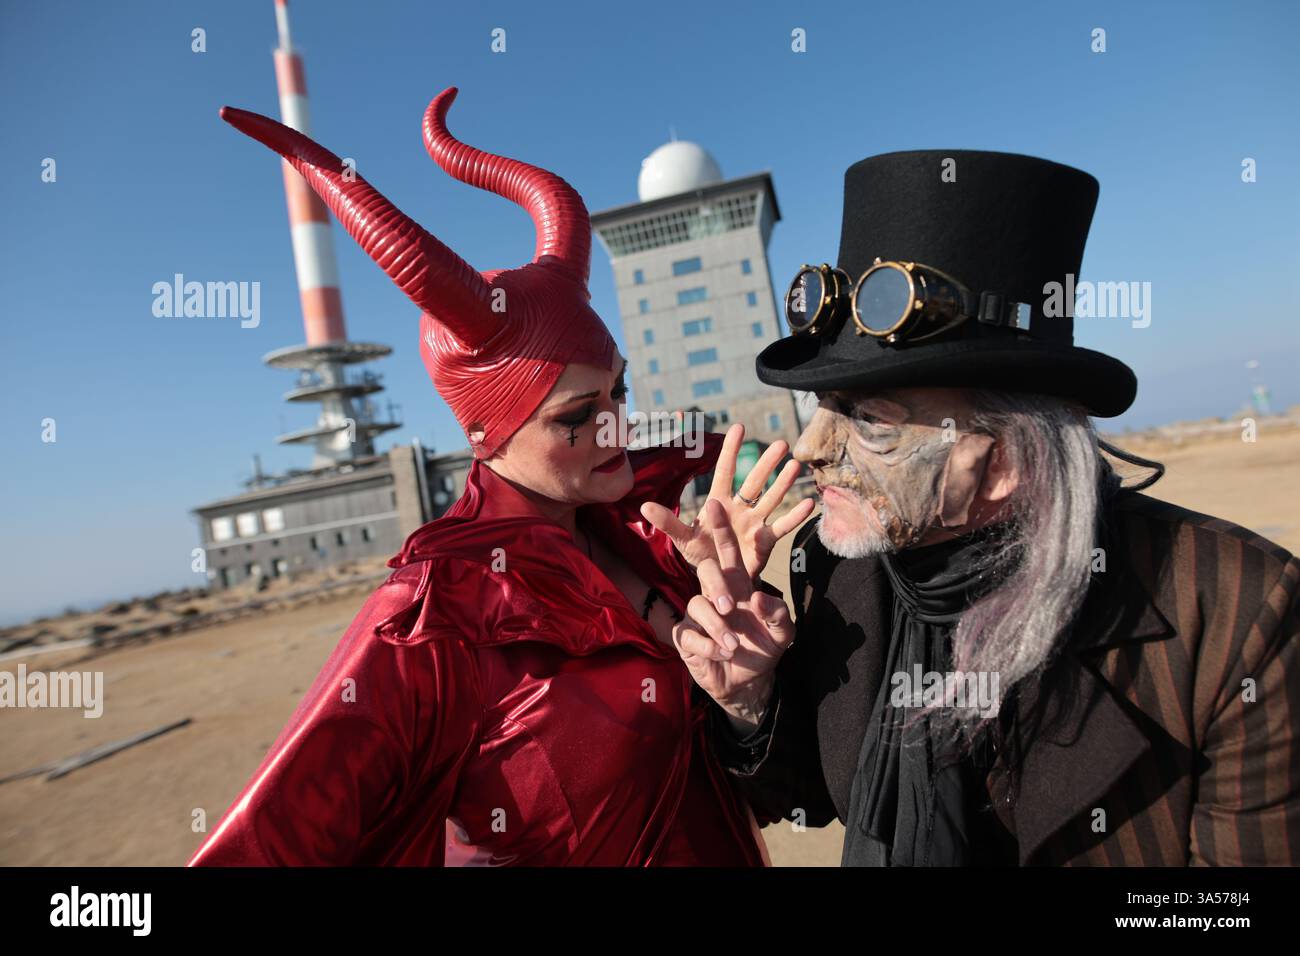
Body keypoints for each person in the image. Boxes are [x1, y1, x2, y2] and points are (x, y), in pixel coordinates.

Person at [187, 87, 811, 866]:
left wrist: (741, 677)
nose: (617, 424)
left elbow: (751, 783)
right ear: (489, 430)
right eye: (577, 416)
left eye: (619, 389)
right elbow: (269, 843)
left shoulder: (642, 528)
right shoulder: (432, 617)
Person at [671, 150, 1300, 866]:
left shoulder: (1236, 611)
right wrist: (749, 694)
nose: (811, 447)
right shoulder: (839, 564)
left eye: (869, 420)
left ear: (1002, 460)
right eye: (821, 407)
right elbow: (809, 793)